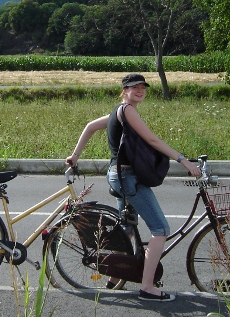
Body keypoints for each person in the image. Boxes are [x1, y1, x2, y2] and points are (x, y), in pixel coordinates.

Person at [65, 73, 201, 302]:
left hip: (118, 175)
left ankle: (115, 276)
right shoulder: (127, 111)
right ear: (124, 90)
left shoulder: (117, 112)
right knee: (160, 229)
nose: (140, 91)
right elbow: (153, 140)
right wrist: (183, 160)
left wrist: (74, 156)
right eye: (134, 87)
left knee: (126, 229)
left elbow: (89, 127)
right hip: (127, 177)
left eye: (143, 87)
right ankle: (148, 287)